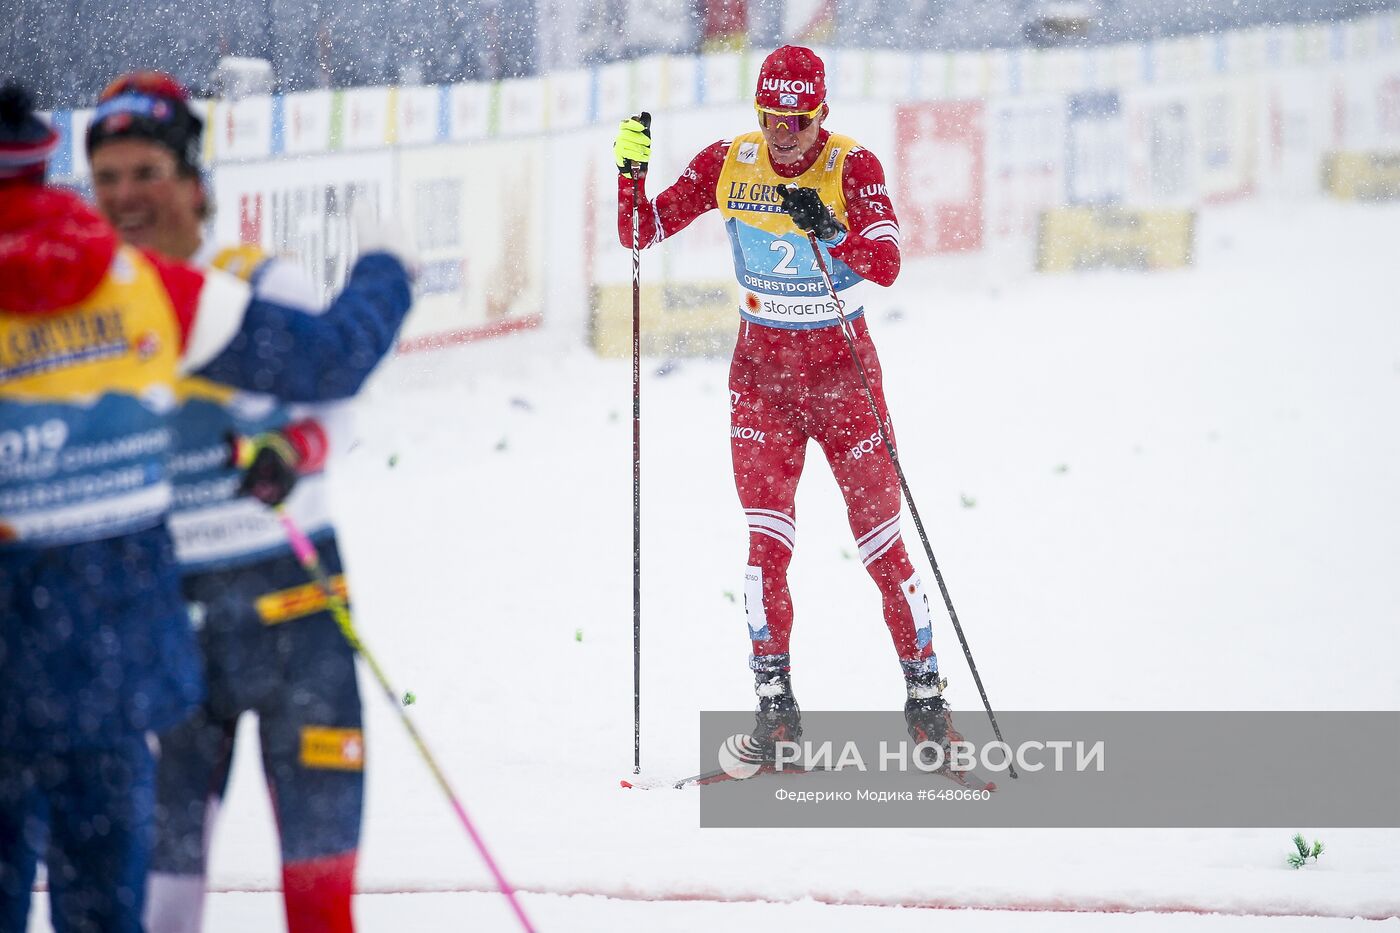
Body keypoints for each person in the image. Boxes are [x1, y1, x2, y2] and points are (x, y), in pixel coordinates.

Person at [0, 82, 413, 933]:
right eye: (106, 175)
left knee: (318, 877)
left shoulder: (232, 281)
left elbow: (334, 397)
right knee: (159, 891)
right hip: (170, 609)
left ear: (194, 181)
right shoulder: (118, 287)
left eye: (146, 170)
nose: (125, 195)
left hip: (290, 598)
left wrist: (293, 453)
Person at [613, 46, 963, 764]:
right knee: (763, 548)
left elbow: (889, 263)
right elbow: (639, 233)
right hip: (763, 384)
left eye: (797, 122)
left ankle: (927, 706)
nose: (782, 136)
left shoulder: (852, 167)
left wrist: (832, 229)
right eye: (771, 117)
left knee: (880, 546)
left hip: (845, 382)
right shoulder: (729, 162)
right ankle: (777, 712)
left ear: (821, 116)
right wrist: (629, 176)